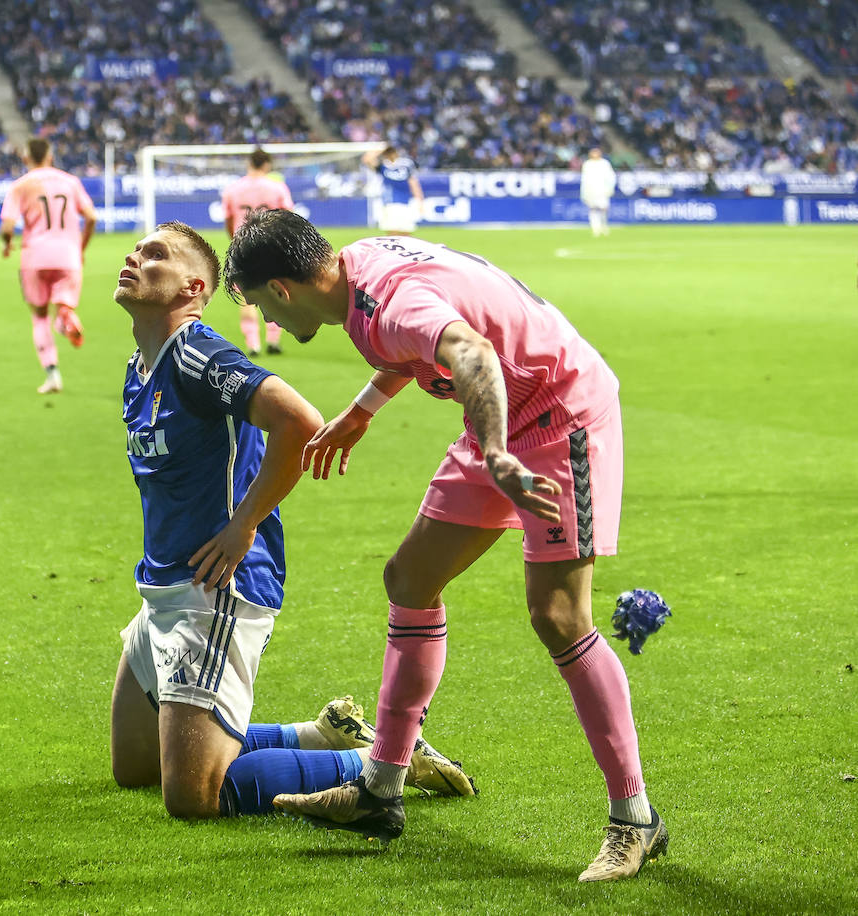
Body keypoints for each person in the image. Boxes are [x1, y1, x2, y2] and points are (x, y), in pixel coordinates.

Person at [223, 209, 664, 881]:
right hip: (501, 417)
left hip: (559, 413)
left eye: (261, 306)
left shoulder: (390, 303)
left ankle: (636, 820)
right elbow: (416, 343)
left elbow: (471, 352)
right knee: (410, 580)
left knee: (558, 616)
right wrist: (364, 409)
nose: (270, 323)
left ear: (282, 289)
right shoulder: (358, 272)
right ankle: (380, 791)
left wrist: (493, 452)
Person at [109, 220, 475, 820]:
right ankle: (324, 733)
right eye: (136, 250)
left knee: (193, 796)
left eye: (155, 256)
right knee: (137, 767)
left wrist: (244, 522)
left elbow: (300, 422)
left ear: (192, 287)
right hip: (163, 587)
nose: (133, 258)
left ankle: (381, 760)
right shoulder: (140, 364)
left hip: (213, 589)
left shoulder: (199, 355)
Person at [1, 138, 97, 394]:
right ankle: (65, 317)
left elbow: (7, 227)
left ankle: (52, 374)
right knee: (62, 305)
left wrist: (7, 244)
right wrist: (81, 247)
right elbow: (91, 217)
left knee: (40, 316)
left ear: (25, 158)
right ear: (50, 156)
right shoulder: (70, 182)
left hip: (35, 256)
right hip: (68, 255)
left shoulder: (21, 185)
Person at [220, 149, 294, 357]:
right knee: (277, 292)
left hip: (243, 246)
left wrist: (234, 239)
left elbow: (228, 219)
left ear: (249, 163)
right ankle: (273, 340)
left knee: (246, 297)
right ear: (267, 165)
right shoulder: (277, 187)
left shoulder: (233, 189)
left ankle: (253, 344)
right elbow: (288, 217)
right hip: (271, 245)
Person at [363, 146, 423, 236]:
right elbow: (366, 159)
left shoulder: (406, 166)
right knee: (392, 235)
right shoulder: (383, 167)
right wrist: (381, 149)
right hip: (390, 204)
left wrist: (420, 200)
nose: (390, 155)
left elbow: (413, 184)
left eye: (391, 152)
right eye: (388, 153)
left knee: (406, 235)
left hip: (405, 203)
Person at [580, 147, 616, 237]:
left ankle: (604, 225)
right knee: (593, 209)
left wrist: (610, 188)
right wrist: (583, 192)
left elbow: (611, 177)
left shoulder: (605, 163)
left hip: (602, 190)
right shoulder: (587, 164)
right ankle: (595, 228)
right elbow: (584, 179)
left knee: (604, 208)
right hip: (591, 191)